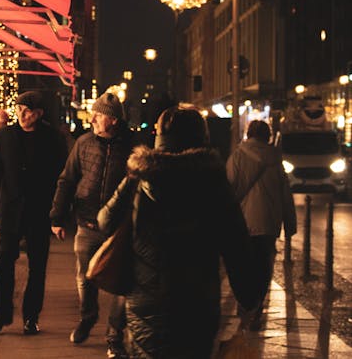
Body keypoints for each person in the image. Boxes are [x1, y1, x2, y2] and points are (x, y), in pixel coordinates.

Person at [97, 105, 260, 358]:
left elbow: (106, 221)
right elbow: (237, 246)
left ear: (159, 136)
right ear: (202, 138)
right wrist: (248, 295)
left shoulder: (139, 178)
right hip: (197, 305)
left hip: (146, 305)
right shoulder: (213, 184)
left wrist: (129, 181)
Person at [50, 91, 134, 355]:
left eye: (100, 115)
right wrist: (57, 216)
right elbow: (68, 179)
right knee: (85, 277)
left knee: (122, 282)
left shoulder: (131, 147)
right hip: (86, 222)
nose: (94, 118)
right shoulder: (84, 143)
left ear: (113, 120)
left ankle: (114, 334)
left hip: (118, 227)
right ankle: (88, 317)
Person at [0, 90, 68, 336]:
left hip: (39, 211)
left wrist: (58, 213)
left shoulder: (52, 138)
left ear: (39, 114)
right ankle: (2, 314)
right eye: (18, 108)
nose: (21, 114)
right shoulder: (7, 135)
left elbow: (61, 178)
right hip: (10, 209)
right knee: (4, 263)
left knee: (37, 266)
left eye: (27, 110)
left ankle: (31, 317)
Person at [226, 118, 297, 330]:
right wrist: (290, 223)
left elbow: (229, 189)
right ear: (267, 136)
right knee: (263, 266)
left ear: (248, 134)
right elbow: (285, 194)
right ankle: (256, 305)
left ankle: (246, 303)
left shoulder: (238, 156)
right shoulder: (276, 160)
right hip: (268, 223)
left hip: (243, 221)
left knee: (244, 263)